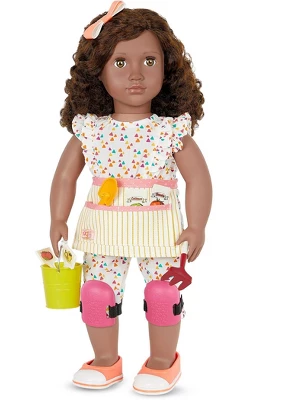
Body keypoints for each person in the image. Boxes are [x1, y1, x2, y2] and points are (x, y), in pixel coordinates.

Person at [50, 1, 212, 395]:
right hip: (102, 230)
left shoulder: (170, 130)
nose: (136, 73)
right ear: (98, 71)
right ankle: (105, 360)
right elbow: (66, 175)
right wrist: (57, 219)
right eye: (120, 62)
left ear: (167, 67)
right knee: (96, 294)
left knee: (163, 294)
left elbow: (198, 177)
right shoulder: (90, 129)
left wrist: (197, 226)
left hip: (161, 232)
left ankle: (162, 362)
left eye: (149, 61)